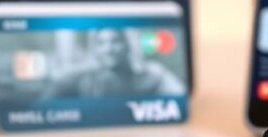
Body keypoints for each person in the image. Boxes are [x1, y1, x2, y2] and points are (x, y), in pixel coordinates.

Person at [44, 28, 185, 98]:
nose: (108, 49)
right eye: (101, 43)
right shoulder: (80, 76)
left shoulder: (151, 74)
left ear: (126, 44)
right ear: (95, 48)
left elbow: (178, 97)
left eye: (115, 41)